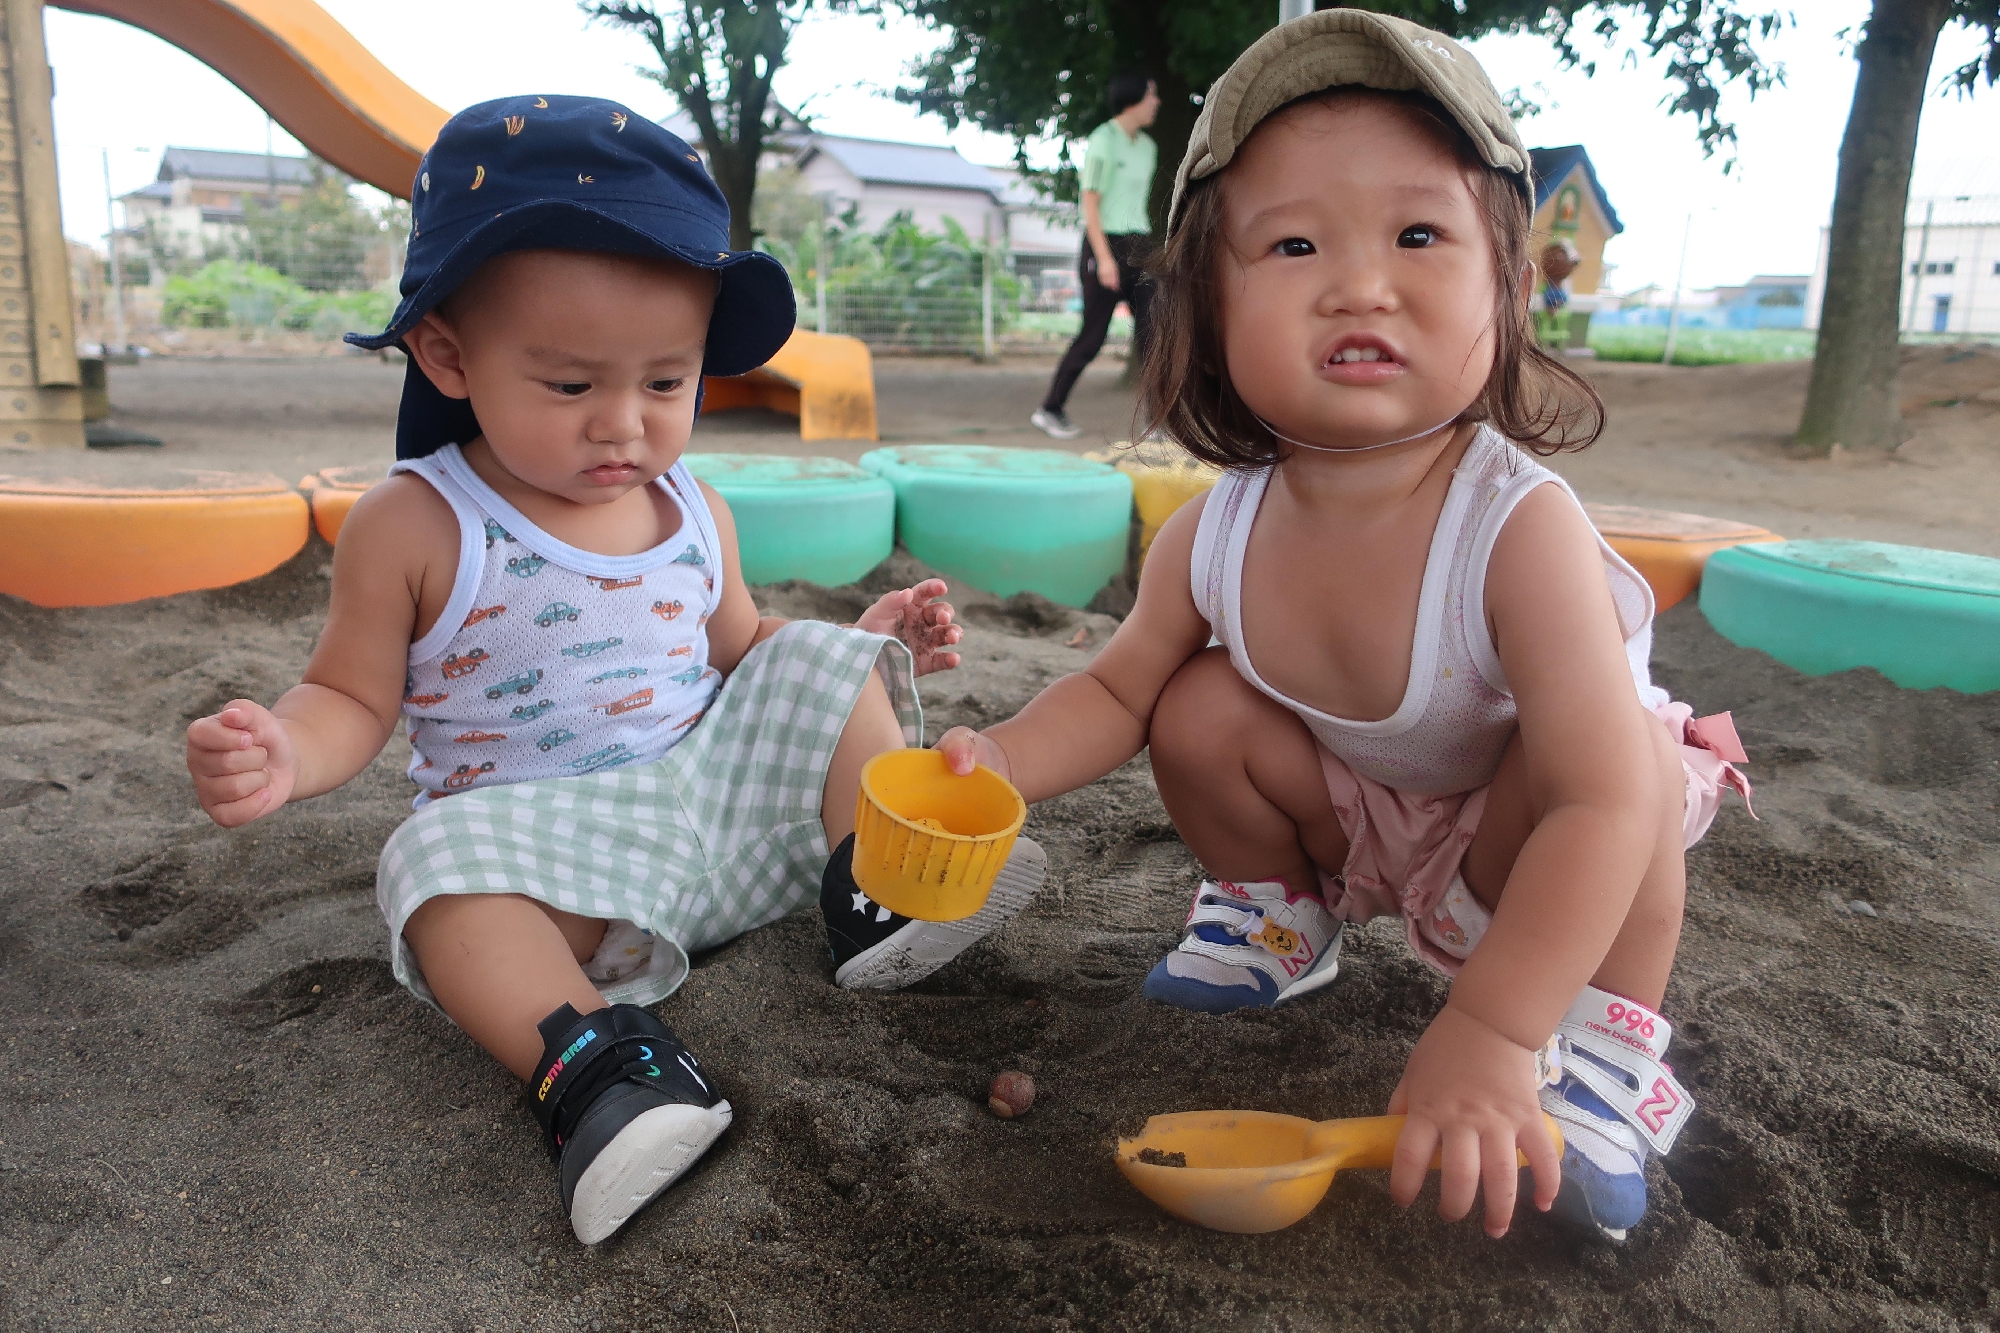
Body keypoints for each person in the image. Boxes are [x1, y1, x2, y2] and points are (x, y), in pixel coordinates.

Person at [941, 13, 1751, 1243]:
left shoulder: (1513, 527)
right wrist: (998, 761)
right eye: (1294, 241)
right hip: (1361, 813)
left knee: (1628, 759)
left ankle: (1604, 1053)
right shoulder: (1212, 531)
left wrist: (1486, 1032)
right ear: (1207, 303)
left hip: (1534, 844)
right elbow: (1111, 697)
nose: (1358, 281)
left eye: (1418, 234)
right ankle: (1279, 913)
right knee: (1197, 700)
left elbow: (1593, 804)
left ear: (1505, 280)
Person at [182, 96, 1047, 1246]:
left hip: (722, 821)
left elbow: (741, 644)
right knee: (431, 869)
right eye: (572, 386)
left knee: (820, 653)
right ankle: (601, 1069)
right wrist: (288, 749)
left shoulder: (690, 503)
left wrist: (858, 638)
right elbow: (349, 697)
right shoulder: (420, 522)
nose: (624, 429)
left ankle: (872, 893)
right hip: (566, 875)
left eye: (664, 383)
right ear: (448, 352)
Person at [1030, 69, 1160, 441]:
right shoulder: (1103, 141)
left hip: (1139, 243)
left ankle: (1156, 420)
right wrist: (1104, 259)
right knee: (1092, 336)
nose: (1157, 103)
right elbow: (1090, 204)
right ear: (1134, 98)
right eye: (1152, 95)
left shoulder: (1148, 148)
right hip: (1104, 243)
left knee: (1155, 330)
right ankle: (1050, 408)